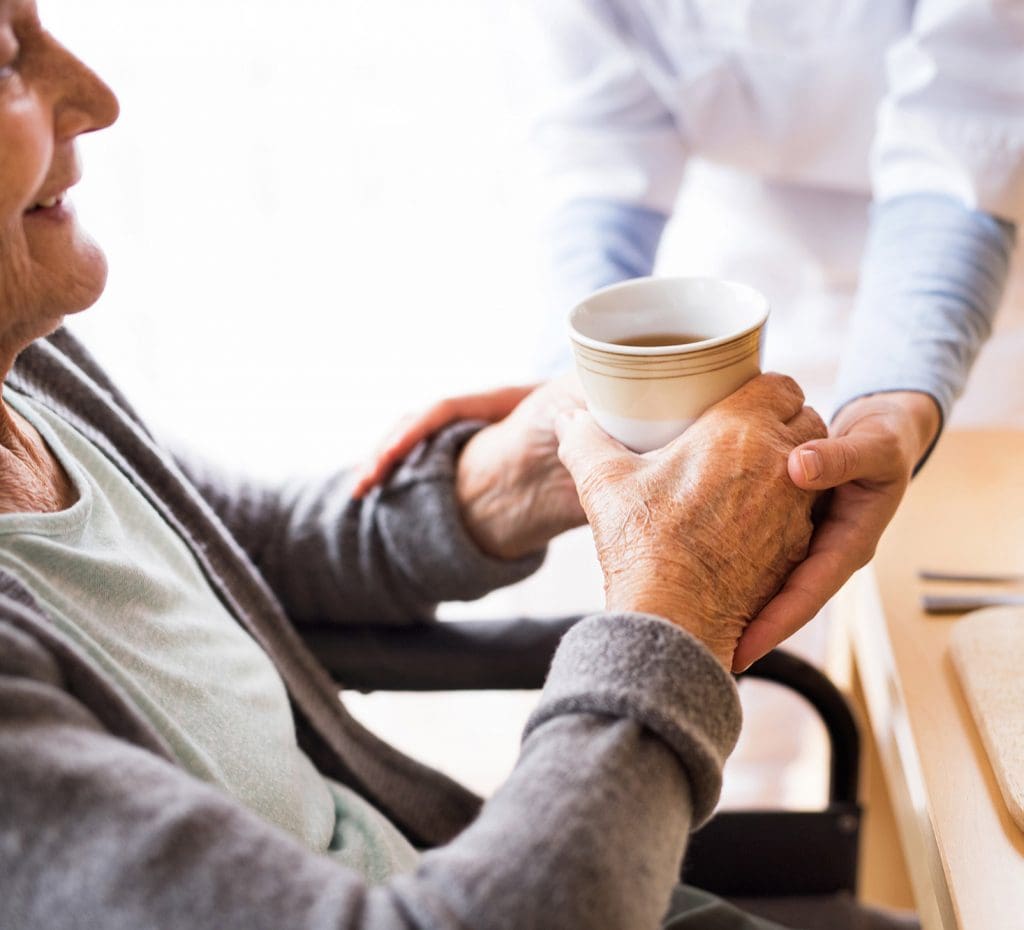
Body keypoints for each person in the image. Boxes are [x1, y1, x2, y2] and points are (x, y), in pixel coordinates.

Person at [0, 4, 920, 928]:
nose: (97, 97)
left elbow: (238, 554)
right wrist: (678, 599)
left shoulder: (27, 362)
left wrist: (501, 480)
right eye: (6, 56)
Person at [517, 0, 1022, 670]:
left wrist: (896, 401)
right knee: (739, 685)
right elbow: (600, 141)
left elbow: (965, 129)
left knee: (918, 645)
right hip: (737, 259)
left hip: (951, 278)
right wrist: (583, 375)